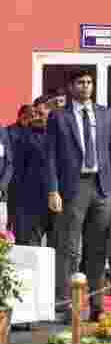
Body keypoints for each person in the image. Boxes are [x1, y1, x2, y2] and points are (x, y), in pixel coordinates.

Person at [45, 70, 111, 323]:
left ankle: (97, 306)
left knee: (98, 248)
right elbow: (51, 156)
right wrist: (53, 189)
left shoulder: (104, 113)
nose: (86, 86)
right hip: (73, 187)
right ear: (71, 87)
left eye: (90, 82)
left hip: (102, 187)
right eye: (81, 83)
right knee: (69, 248)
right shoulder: (59, 116)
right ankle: (66, 306)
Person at [9, 104, 50, 246]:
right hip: (30, 201)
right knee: (30, 243)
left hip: (57, 200)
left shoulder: (58, 135)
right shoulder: (24, 136)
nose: (36, 118)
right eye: (34, 115)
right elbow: (17, 171)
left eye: (40, 114)